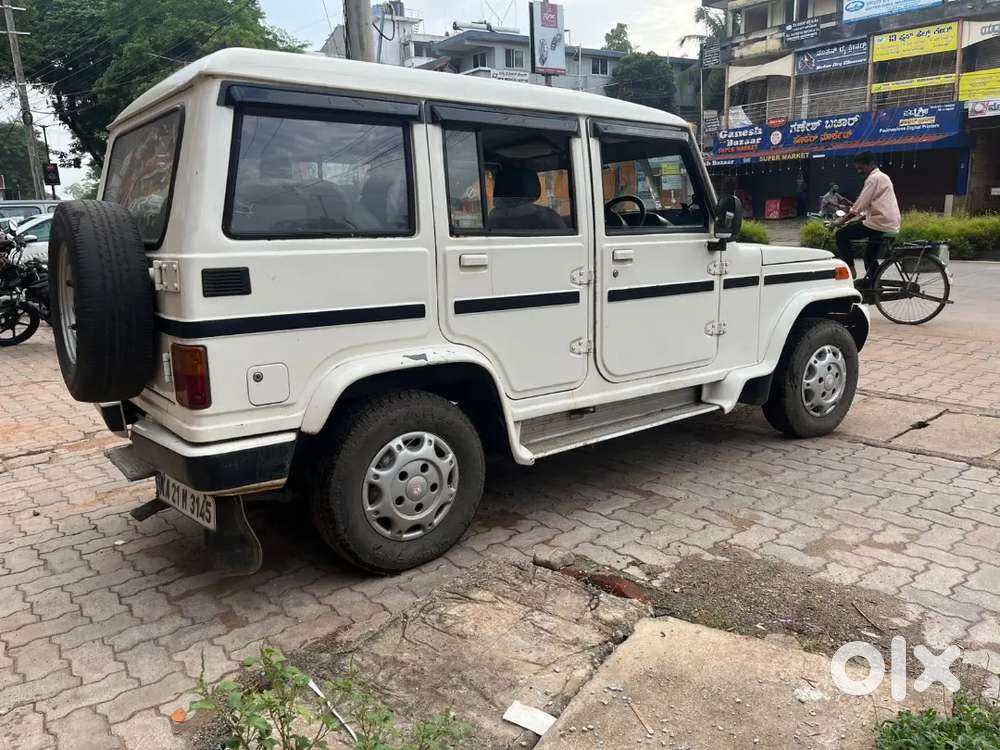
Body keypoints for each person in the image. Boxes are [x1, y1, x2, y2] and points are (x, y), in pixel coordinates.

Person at [834, 153, 901, 285]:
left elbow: (860, 204)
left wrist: (840, 221)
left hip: (880, 223)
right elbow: (875, 206)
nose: (859, 171)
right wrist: (853, 220)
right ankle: (875, 285)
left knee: (841, 234)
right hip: (888, 222)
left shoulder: (873, 179)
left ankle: (850, 269)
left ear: (871, 164)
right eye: (857, 168)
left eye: (861, 168)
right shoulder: (883, 177)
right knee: (869, 258)